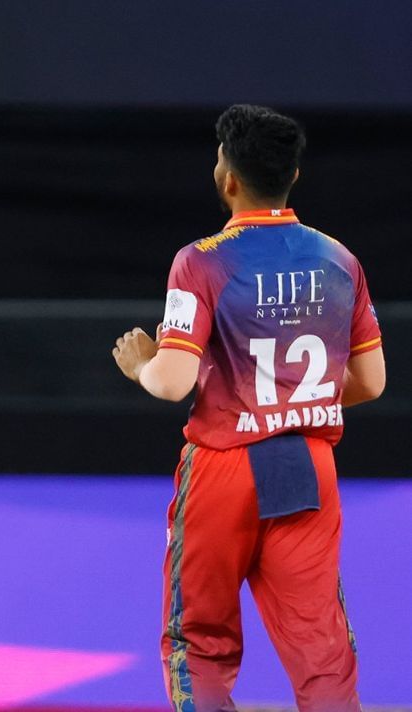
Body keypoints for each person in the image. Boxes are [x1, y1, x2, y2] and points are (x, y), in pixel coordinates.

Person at [112, 104, 383, 712]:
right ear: (293, 177)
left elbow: (172, 382)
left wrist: (141, 365)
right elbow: (371, 381)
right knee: (321, 647)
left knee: (199, 642)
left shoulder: (202, 260)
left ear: (228, 177)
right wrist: (291, 402)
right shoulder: (340, 259)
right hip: (308, 466)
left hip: (223, 469)